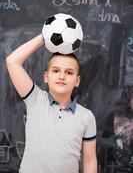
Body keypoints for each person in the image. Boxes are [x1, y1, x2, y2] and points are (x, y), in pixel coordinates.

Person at [6, 33, 97, 173]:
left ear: (77, 81)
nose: (62, 76)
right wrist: (45, 37)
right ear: (46, 77)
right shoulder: (35, 99)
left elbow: (90, 161)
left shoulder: (86, 117)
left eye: (69, 72)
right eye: (56, 71)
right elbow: (12, 61)